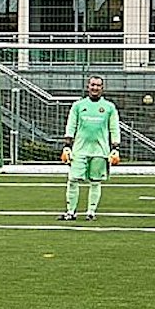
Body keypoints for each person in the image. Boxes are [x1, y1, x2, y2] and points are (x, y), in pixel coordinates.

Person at [60, 75, 120, 221]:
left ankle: (91, 212)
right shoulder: (78, 106)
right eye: (92, 85)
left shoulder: (109, 107)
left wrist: (115, 147)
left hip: (100, 151)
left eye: (98, 85)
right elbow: (71, 125)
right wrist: (67, 146)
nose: (95, 88)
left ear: (102, 88)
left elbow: (114, 127)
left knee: (95, 181)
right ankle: (71, 212)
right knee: (73, 179)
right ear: (88, 86)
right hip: (79, 150)